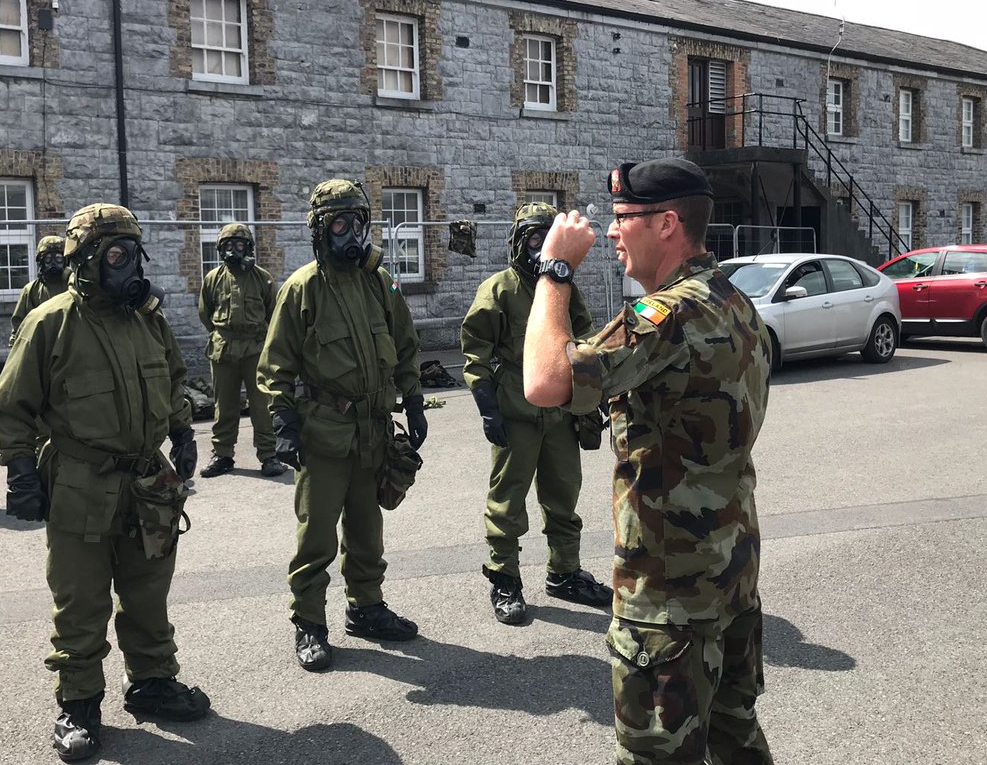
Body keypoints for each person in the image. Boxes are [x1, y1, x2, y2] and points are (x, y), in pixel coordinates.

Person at [523, 158, 774, 765]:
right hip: (731, 576)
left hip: (668, 594)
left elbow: (545, 380)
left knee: (656, 756)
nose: (611, 231)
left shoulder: (665, 317)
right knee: (736, 738)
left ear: (667, 224)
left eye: (622, 218)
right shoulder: (734, 300)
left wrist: (554, 271)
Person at [0, 203, 210, 762]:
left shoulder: (148, 320)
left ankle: (153, 682)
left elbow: (176, 379)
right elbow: (11, 405)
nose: (125, 264)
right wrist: (19, 470)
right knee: (81, 602)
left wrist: (182, 432)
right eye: (113, 253)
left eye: (131, 252)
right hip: (80, 483)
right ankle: (79, 703)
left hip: (148, 481)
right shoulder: (50, 322)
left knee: (147, 592)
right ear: (84, 259)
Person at [258, 179, 428, 672]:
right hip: (323, 433)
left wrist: (413, 398)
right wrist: (283, 422)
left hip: (372, 430)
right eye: (338, 223)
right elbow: (275, 366)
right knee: (317, 537)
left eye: (356, 222)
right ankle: (309, 623)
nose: (349, 233)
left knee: (367, 527)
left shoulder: (381, 282)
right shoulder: (302, 288)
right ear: (319, 229)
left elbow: (407, 342)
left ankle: (367, 608)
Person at [460, 202, 611, 625]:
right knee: (507, 502)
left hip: (561, 413)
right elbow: (475, 348)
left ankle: (564, 572)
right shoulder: (499, 290)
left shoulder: (565, 289)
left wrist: (591, 395)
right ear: (516, 240)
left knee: (564, 495)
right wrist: (486, 404)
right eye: (530, 238)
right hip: (516, 413)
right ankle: (504, 579)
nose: (537, 248)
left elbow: (583, 338)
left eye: (545, 239)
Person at [197, 222, 285, 478]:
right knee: (224, 405)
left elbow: (273, 313)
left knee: (261, 405)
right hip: (223, 349)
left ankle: (269, 455)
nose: (234, 250)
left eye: (239, 245)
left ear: (248, 247)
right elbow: (206, 314)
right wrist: (223, 334)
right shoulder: (212, 279)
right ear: (220, 249)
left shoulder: (263, 278)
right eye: (228, 245)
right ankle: (223, 455)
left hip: (255, 349)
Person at [9, 235, 70, 345]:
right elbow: (19, 325)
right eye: (48, 259)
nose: (53, 263)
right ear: (41, 262)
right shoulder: (31, 290)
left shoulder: (73, 286)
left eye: (58, 258)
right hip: (41, 345)